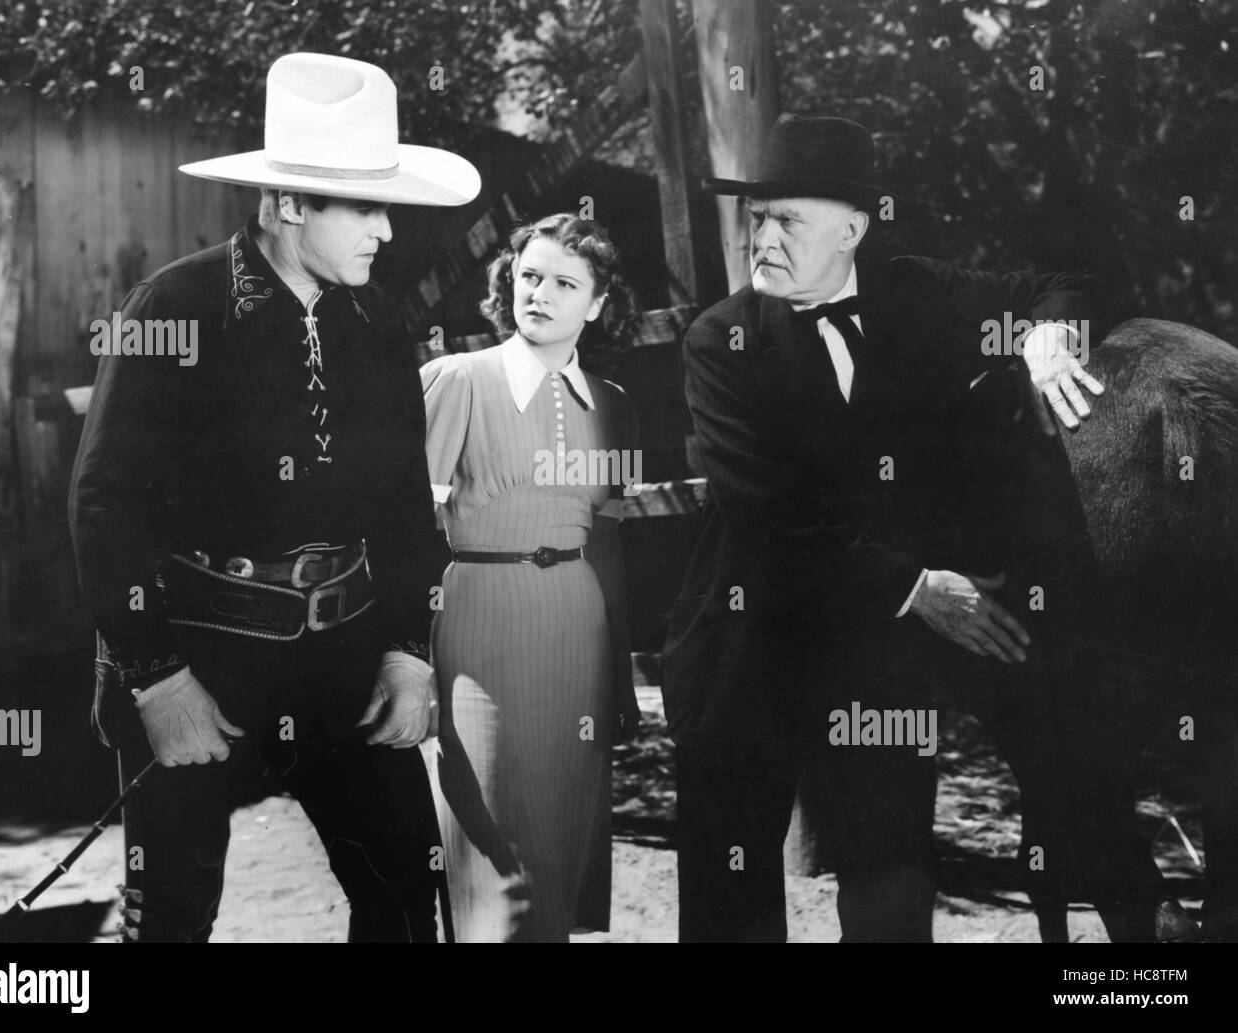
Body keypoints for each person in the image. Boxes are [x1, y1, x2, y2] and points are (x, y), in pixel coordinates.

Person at [663, 113, 1182, 942]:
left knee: (891, 891)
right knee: (730, 909)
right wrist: (916, 586)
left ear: (853, 230)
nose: (763, 237)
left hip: (876, 658)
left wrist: (1048, 336)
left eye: (787, 219)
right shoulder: (717, 340)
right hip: (750, 645)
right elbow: (774, 515)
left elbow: (1059, 281)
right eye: (757, 218)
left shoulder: (914, 292)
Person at [69, 52, 480, 942]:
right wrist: (154, 677)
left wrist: (410, 649)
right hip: (198, 659)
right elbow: (104, 505)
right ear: (290, 205)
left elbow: (408, 507)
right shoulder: (173, 307)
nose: (386, 232)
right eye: (365, 208)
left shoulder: (380, 324)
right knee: (171, 919)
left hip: (349, 660)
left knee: (408, 900)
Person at [419, 214, 641, 942]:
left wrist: (619, 675)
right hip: (481, 617)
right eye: (530, 276)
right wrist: (403, 654)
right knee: (491, 838)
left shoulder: (614, 404)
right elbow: (405, 529)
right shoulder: (457, 379)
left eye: (564, 283)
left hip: (578, 626)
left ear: (598, 302)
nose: (540, 293)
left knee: (560, 844)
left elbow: (606, 543)